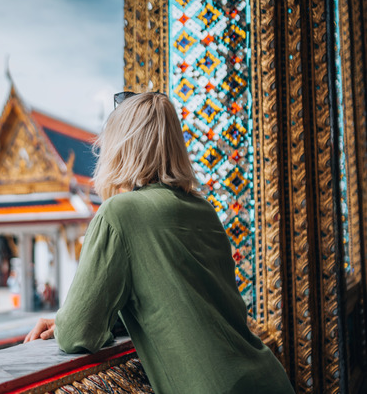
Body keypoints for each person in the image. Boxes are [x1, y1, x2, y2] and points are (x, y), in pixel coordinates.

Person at [24, 92, 294, 394]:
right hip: (269, 379)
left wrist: (62, 323)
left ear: (121, 148)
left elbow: (77, 333)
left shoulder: (119, 213)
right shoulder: (204, 211)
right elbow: (175, 301)